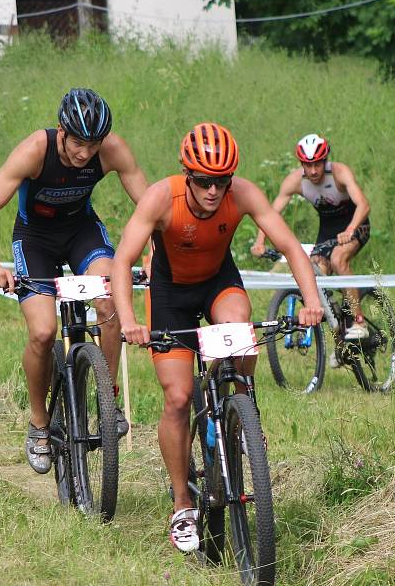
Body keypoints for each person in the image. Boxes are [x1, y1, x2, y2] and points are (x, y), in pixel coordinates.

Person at [111, 122, 322, 552]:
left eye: (221, 182)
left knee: (240, 326)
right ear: (188, 176)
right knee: (178, 397)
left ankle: (242, 405)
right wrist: (130, 319)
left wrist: (312, 301)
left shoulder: (242, 194)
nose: (213, 191)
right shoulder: (161, 198)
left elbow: (291, 247)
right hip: (170, 293)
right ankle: (182, 503)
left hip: (217, 282)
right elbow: (123, 259)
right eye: (205, 182)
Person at [0, 88, 148, 475]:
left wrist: (153, 254)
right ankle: (38, 424)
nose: (85, 153)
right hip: (34, 239)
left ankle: (107, 399)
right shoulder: (36, 149)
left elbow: (150, 206)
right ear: (60, 131)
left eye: (93, 144)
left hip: (81, 232)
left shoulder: (112, 149)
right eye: (78, 143)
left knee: (109, 304)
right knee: (42, 331)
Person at [250, 133, 371, 341]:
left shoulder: (340, 173)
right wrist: (260, 241)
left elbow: (364, 205)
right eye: (308, 165)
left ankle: (359, 321)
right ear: (301, 164)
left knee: (338, 259)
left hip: (354, 225)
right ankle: (341, 337)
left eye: (317, 164)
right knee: (313, 277)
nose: (313, 170)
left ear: (325, 161)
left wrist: (350, 230)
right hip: (327, 231)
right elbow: (270, 214)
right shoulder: (294, 181)